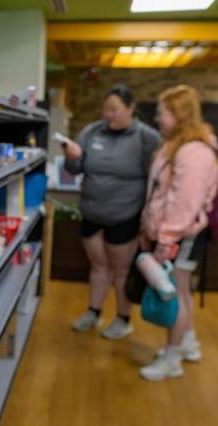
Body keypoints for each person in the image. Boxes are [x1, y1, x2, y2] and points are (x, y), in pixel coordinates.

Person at [63, 84, 160, 339]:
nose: (108, 114)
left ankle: (123, 318)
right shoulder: (91, 131)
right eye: (106, 109)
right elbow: (74, 170)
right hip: (92, 212)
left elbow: (156, 177)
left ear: (131, 108)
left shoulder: (146, 137)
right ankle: (93, 313)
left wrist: (149, 215)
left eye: (115, 109)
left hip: (124, 215)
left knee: (121, 271)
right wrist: (72, 157)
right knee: (98, 267)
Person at [139, 85, 218, 381]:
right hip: (173, 231)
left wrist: (165, 239)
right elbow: (160, 193)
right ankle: (187, 343)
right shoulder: (175, 145)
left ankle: (172, 358)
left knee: (174, 290)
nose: (157, 118)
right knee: (181, 289)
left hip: (182, 234)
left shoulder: (194, 152)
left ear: (178, 114)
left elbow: (185, 203)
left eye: (162, 113)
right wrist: (147, 225)